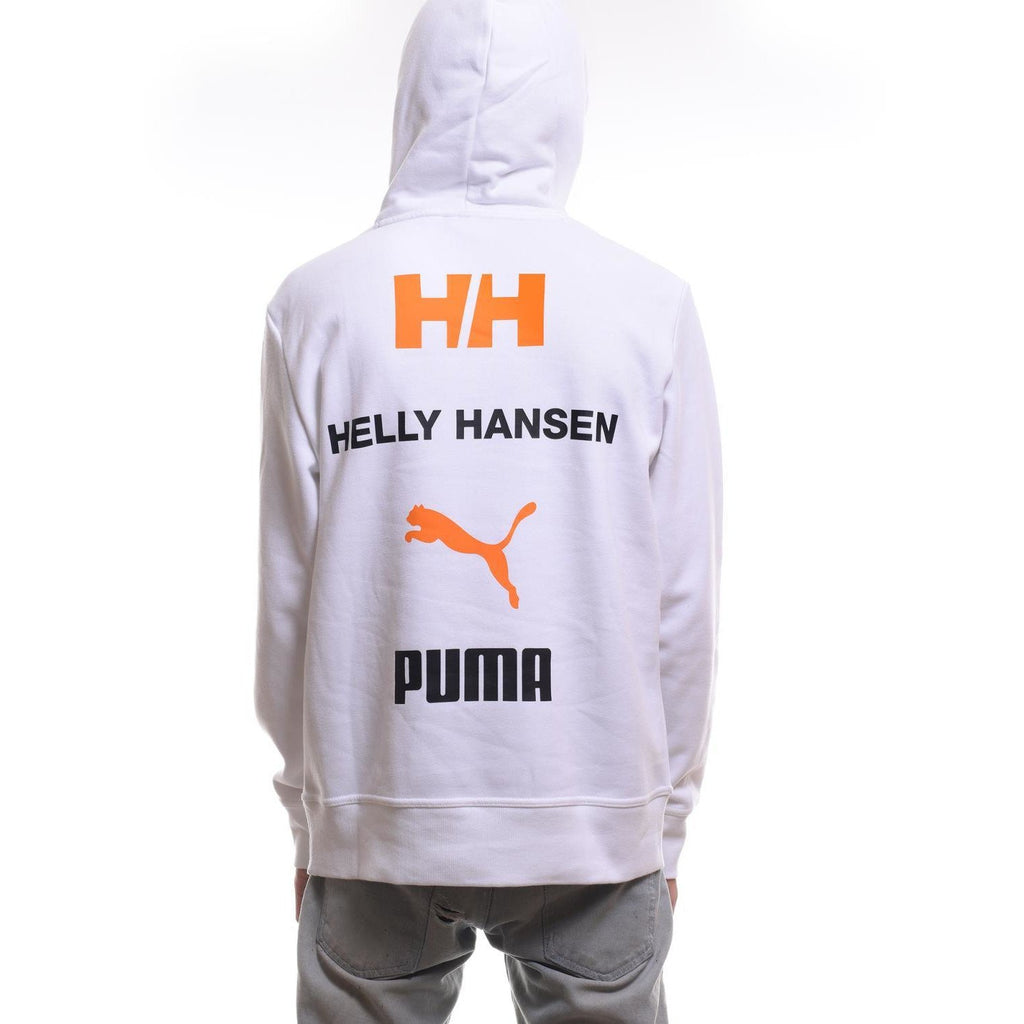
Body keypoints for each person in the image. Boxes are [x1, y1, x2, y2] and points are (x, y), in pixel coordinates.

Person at [254, 0, 724, 1020]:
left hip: (379, 813)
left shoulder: (319, 303)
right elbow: (682, 600)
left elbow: (288, 600)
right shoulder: (646, 305)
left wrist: (312, 820)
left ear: (412, 96)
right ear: (566, 104)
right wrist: (663, 829)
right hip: (590, 814)